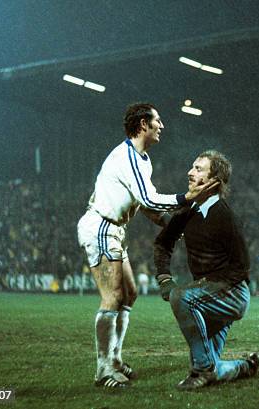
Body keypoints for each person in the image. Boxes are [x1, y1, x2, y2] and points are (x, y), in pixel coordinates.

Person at [77, 103, 215, 388]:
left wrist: (172, 226)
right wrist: (186, 197)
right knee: (113, 296)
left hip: (114, 229)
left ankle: (114, 360)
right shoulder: (126, 156)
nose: (162, 126)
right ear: (143, 125)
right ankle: (104, 369)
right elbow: (151, 199)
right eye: (157, 120)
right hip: (101, 226)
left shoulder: (143, 160)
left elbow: (146, 206)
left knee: (130, 293)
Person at [154, 150, 259, 391]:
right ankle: (245, 367)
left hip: (231, 293)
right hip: (207, 295)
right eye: (192, 167)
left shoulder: (225, 216)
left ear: (214, 181)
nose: (190, 172)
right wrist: (164, 278)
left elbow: (241, 267)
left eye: (199, 169)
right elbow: (162, 243)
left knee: (181, 297)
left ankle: (202, 371)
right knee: (209, 361)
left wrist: (205, 288)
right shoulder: (188, 211)